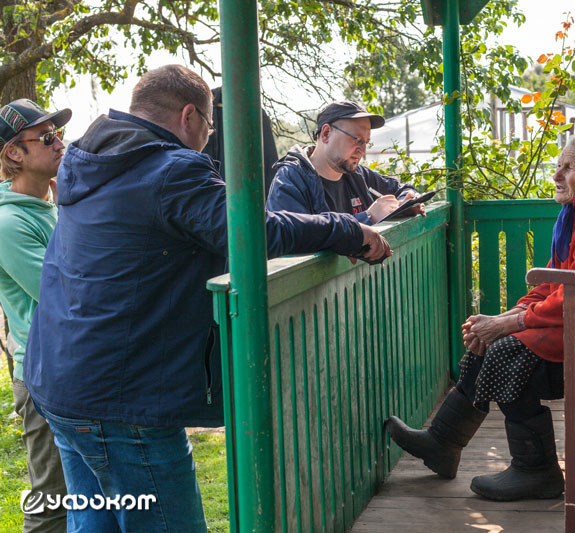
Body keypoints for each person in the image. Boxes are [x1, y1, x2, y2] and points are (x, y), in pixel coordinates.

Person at [24, 65, 390, 532]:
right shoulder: (169, 171)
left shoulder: (91, 160)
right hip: (122, 399)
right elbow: (253, 230)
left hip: (60, 381)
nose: (208, 137)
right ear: (189, 116)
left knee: (95, 524)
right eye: (210, 126)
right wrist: (345, 228)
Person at [385, 131, 575, 501]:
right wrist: (506, 315)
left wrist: (508, 324)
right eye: (558, 166)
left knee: (507, 352)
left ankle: (536, 471)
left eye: (569, 167)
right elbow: (555, 282)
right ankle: (443, 443)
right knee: (493, 341)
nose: (557, 175)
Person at [0, 98, 70, 532]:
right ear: (14, 153)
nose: (60, 143)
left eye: (58, 133)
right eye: (46, 138)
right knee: (50, 506)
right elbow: (62, 293)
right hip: (43, 375)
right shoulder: (9, 224)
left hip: (69, 367)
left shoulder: (50, 204)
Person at [267, 100, 423, 224]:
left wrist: (408, 202)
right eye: (356, 140)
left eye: (366, 142)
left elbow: (401, 189)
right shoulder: (290, 180)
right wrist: (368, 217)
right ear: (326, 133)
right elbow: (296, 236)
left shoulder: (359, 175)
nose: (362, 150)